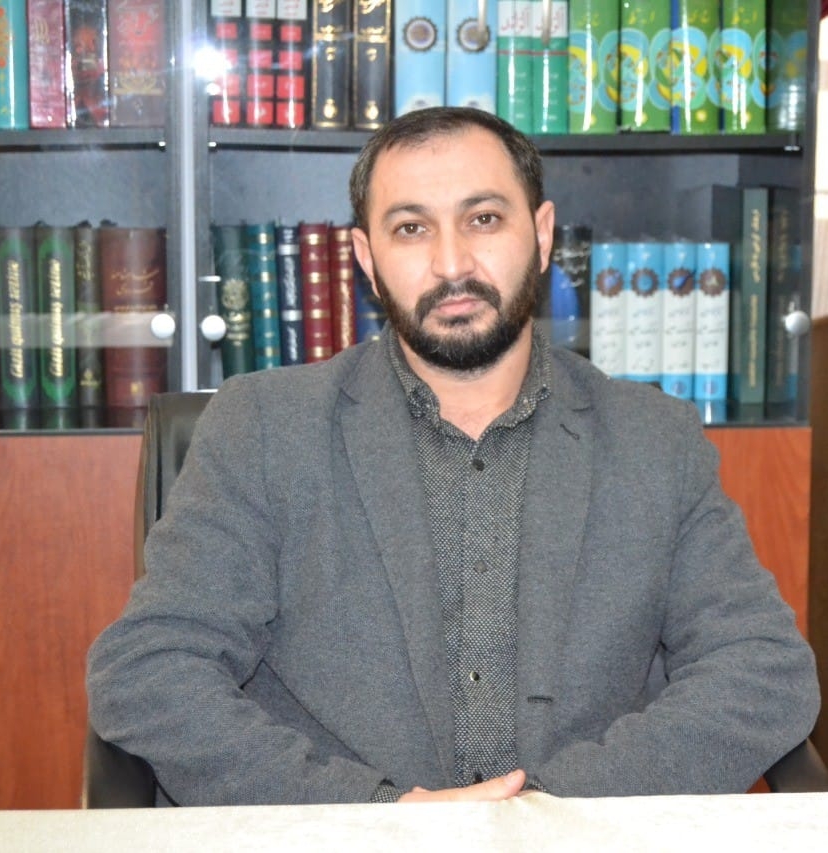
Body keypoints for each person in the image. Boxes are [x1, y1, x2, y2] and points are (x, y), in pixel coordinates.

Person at [87, 106, 819, 806]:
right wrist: (379, 813)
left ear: (541, 234)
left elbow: (762, 673)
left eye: (483, 219)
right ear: (367, 259)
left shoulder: (653, 439)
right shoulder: (263, 428)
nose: (451, 263)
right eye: (411, 229)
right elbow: (150, 672)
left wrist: (550, 811)